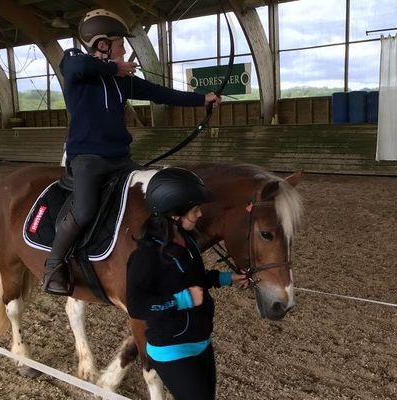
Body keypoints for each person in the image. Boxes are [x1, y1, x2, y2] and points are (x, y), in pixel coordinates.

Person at [43, 9, 221, 295]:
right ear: (102, 44)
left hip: (120, 160)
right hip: (88, 159)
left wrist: (202, 99)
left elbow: (160, 93)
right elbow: (77, 68)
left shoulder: (121, 81)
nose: (124, 49)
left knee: (155, 197)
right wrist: (116, 68)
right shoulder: (74, 61)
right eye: (119, 43)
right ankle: (53, 266)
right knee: (85, 209)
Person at [126, 167, 247, 400]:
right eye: (195, 210)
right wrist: (181, 300)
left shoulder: (188, 240)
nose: (200, 214)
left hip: (202, 340)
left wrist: (225, 278)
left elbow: (194, 278)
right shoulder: (146, 256)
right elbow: (137, 306)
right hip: (171, 349)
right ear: (174, 215)